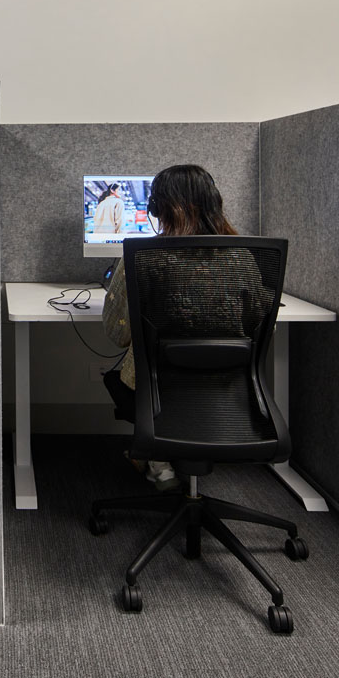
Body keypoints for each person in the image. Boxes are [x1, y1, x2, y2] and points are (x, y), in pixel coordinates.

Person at [100, 164, 270, 491]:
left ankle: (157, 460)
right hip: (228, 391)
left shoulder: (141, 258)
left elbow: (117, 334)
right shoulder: (245, 259)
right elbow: (260, 330)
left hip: (155, 394)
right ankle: (162, 460)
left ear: (157, 208)